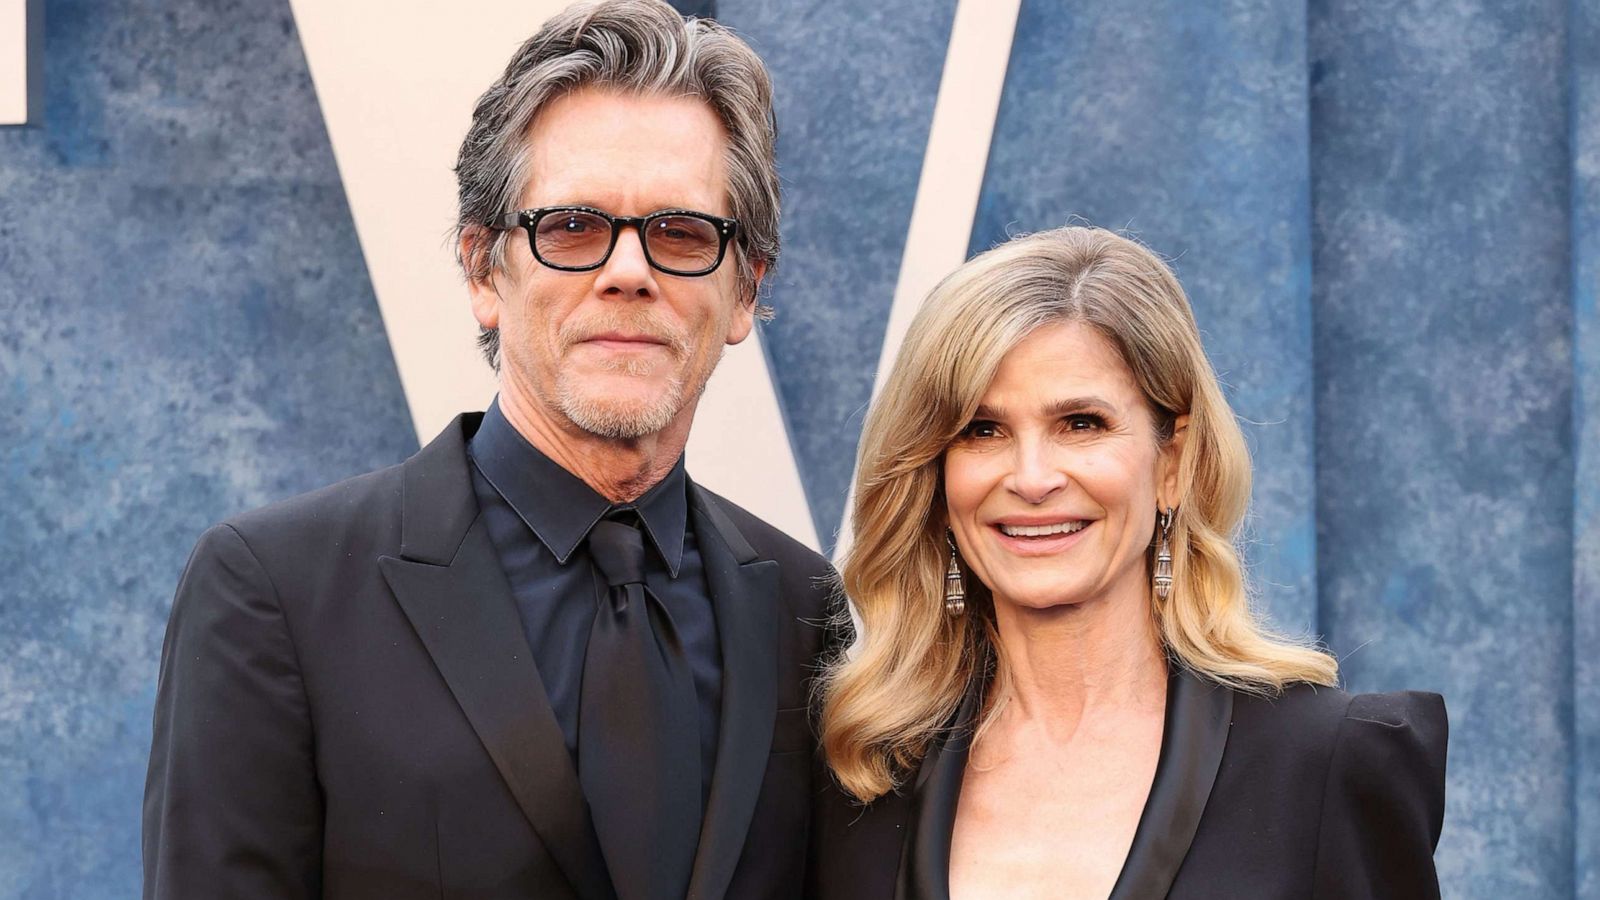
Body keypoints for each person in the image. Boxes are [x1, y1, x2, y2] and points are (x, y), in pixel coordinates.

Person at [143, 2, 833, 898]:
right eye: (574, 227)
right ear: (482, 269)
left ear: (745, 291)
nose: (629, 271)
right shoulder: (278, 592)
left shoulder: (809, 613)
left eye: (682, 234)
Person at [808, 226, 1447, 899]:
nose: (1031, 478)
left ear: (1172, 462)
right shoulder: (861, 773)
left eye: (1081, 423)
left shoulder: (1326, 762)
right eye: (982, 429)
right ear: (938, 477)